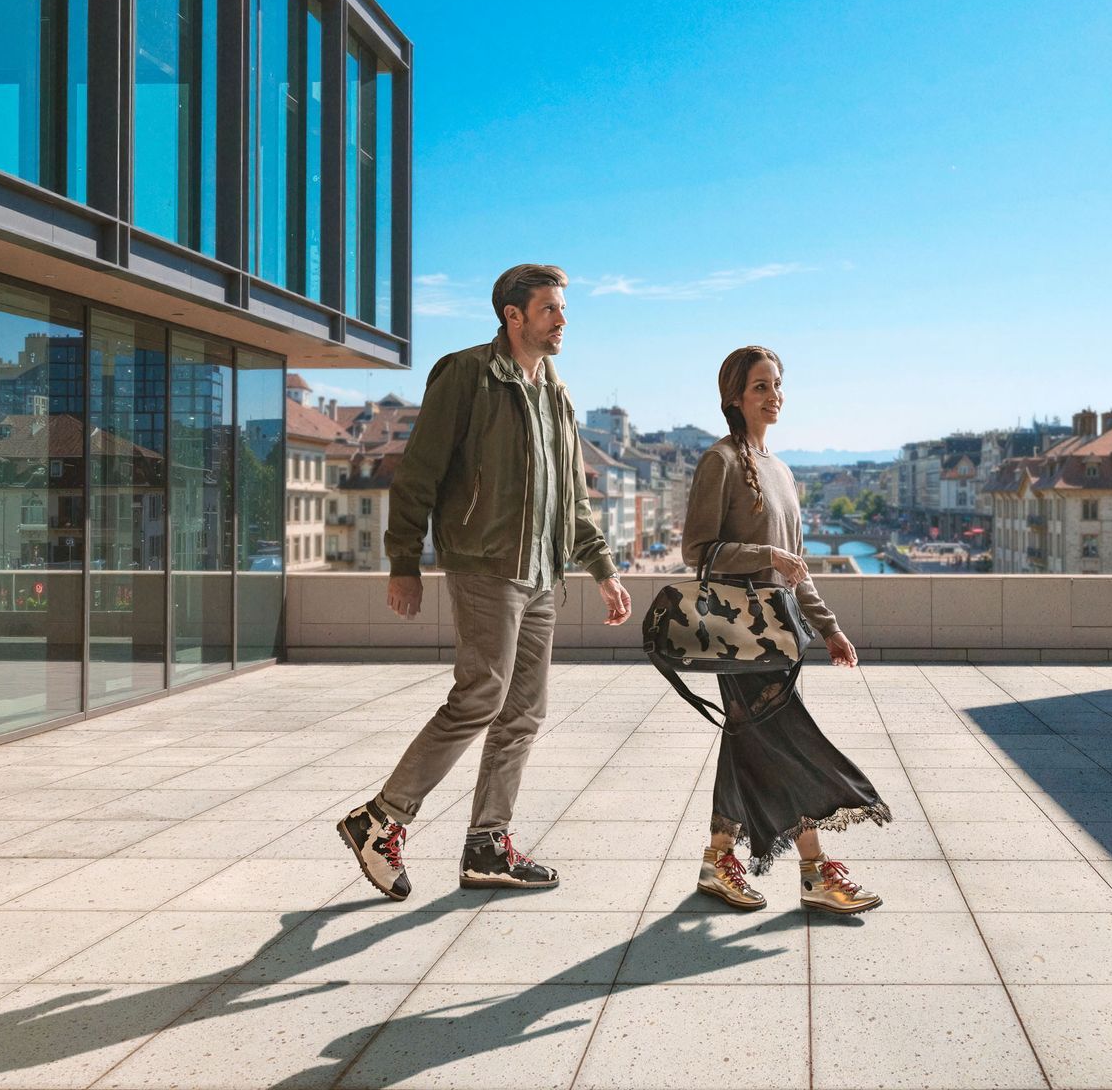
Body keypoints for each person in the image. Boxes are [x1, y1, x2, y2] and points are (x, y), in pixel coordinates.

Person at [337, 264, 631, 900]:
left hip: (543, 575)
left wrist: (602, 569)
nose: (562, 320)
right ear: (513, 315)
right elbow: (418, 474)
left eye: (563, 310)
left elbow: (571, 498)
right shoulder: (466, 374)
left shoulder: (557, 394)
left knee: (524, 712)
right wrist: (403, 562)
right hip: (484, 565)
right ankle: (381, 819)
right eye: (550, 309)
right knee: (481, 696)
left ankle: (487, 847)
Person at [680, 346, 890, 914]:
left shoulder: (781, 469)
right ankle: (815, 869)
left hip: (782, 630)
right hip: (740, 632)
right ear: (734, 397)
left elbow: (796, 565)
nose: (774, 396)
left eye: (777, 385)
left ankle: (720, 858)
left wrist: (830, 629)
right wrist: (764, 552)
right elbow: (696, 552)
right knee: (789, 740)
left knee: (750, 741)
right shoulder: (720, 462)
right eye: (760, 387)